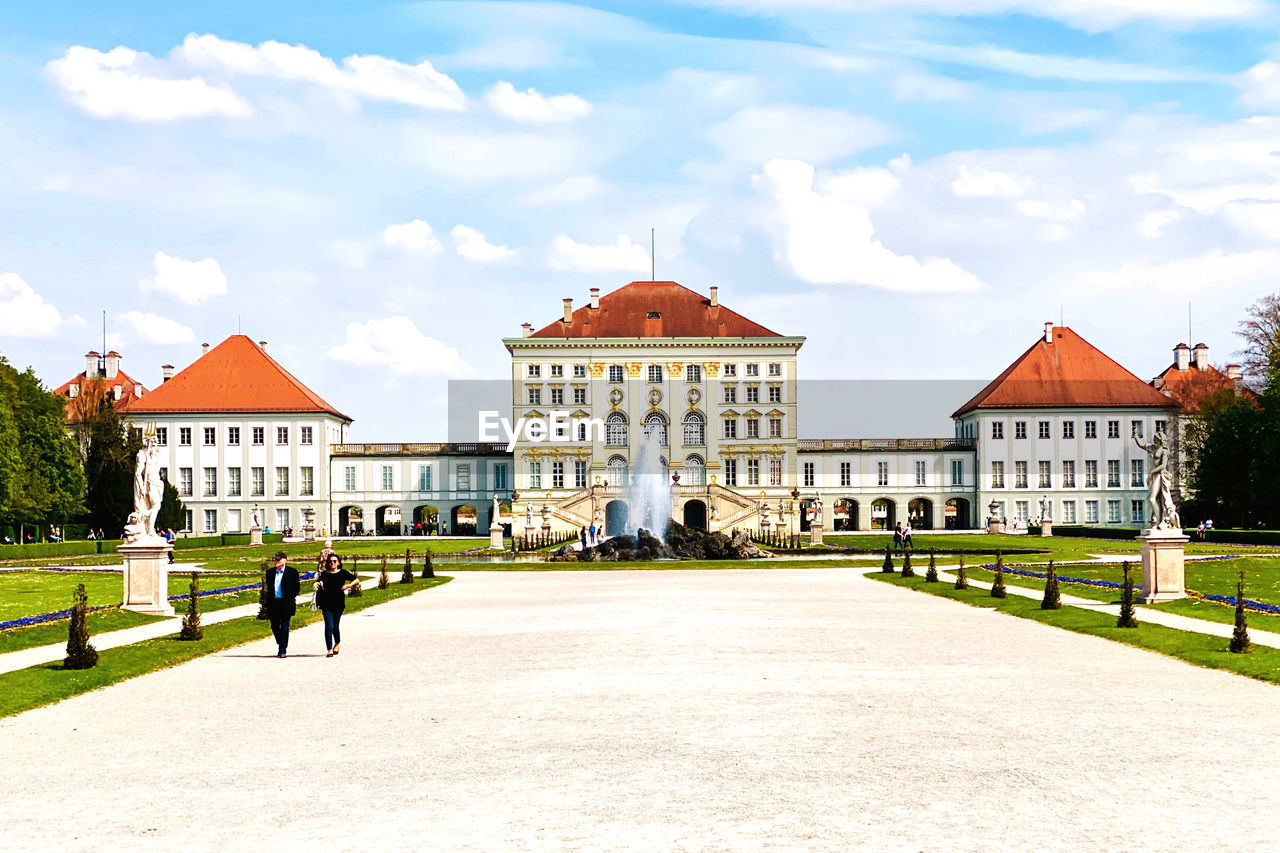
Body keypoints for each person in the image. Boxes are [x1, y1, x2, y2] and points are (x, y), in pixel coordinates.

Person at [315, 551, 357, 657]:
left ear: (338, 563)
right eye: (330, 561)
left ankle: (337, 643)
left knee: (335, 627)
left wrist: (348, 586)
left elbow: (356, 580)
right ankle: (329, 649)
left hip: (338, 603)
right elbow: (318, 582)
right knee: (328, 626)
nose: (332, 563)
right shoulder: (324, 574)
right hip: (326, 603)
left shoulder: (342, 573)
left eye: (334, 561)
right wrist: (317, 585)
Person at [266, 551, 300, 658]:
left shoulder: (292, 572)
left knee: (285, 626)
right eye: (275, 559)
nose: (276, 561)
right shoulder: (270, 572)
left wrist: (289, 598)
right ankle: (280, 642)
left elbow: (296, 588)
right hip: (274, 602)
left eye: (278, 559)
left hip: (286, 602)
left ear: (285, 560)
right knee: (274, 626)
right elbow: (269, 588)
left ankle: (282, 649)